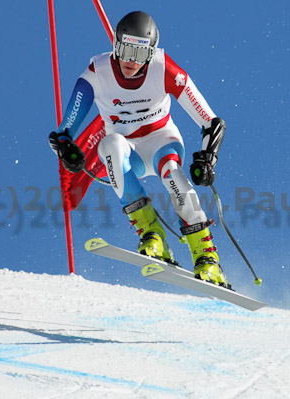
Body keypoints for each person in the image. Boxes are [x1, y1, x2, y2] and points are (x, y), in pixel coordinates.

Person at [49, 11, 229, 288]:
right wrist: (66, 149)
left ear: (151, 53)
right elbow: (64, 131)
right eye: (126, 49)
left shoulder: (163, 68)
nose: (131, 60)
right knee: (108, 145)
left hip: (162, 141)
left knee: (172, 173)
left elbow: (212, 122)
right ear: (116, 45)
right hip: (126, 151)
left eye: (140, 52)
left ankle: (207, 258)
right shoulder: (98, 73)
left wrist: (207, 158)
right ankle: (152, 235)